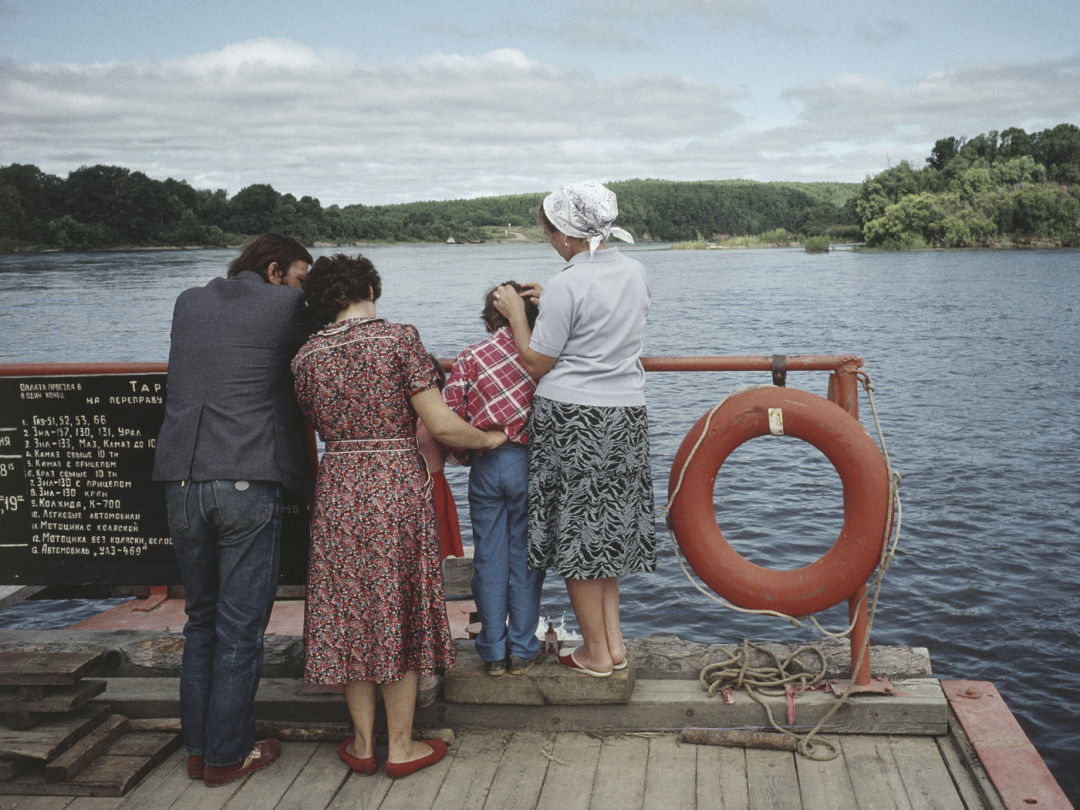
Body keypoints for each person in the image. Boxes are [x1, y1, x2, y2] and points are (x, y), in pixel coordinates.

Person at [292, 254, 506, 778]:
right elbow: (443, 425)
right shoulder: (398, 339)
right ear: (370, 287)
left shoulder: (305, 357)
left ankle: (363, 744)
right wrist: (491, 437)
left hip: (338, 482)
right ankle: (403, 747)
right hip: (392, 484)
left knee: (352, 614)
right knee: (398, 607)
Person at [151, 233, 316, 786]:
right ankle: (227, 757)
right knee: (241, 629)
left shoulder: (188, 300)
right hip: (245, 476)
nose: (304, 287)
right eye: (301, 275)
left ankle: (199, 751)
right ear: (275, 272)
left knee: (201, 620)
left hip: (179, 478)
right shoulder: (288, 305)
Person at [493, 181, 656, 677]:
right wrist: (554, 299)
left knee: (577, 538)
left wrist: (519, 314)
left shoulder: (566, 283)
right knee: (603, 533)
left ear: (566, 234)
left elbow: (537, 362)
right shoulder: (635, 270)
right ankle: (612, 645)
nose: (548, 240)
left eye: (549, 232)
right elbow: (598, 315)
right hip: (624, 414)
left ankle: (594, 654)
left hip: (572, 420)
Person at [443, 283, 544, 676]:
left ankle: (492, 650)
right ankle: (522, 647)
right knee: (526, 560)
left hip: (487, 462)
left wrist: (471, 452)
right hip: (528, 463)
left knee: (489, 558)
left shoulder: (469, 358)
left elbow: (451, 416)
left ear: (487, 321)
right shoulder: (542, 357)